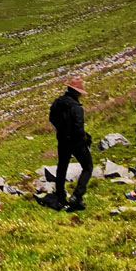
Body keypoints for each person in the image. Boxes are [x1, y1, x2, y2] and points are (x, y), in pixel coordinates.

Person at [48, 76, 92, 211]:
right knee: (88, 167)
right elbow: (79, 128)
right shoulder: (77, 108)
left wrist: (60, 129)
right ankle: (77, 196)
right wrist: (85, 138)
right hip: (76, 141)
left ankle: (60, 194)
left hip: (62, 139)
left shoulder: (57, 103)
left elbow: (52, 118)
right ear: (77, 92)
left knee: (62, 166)